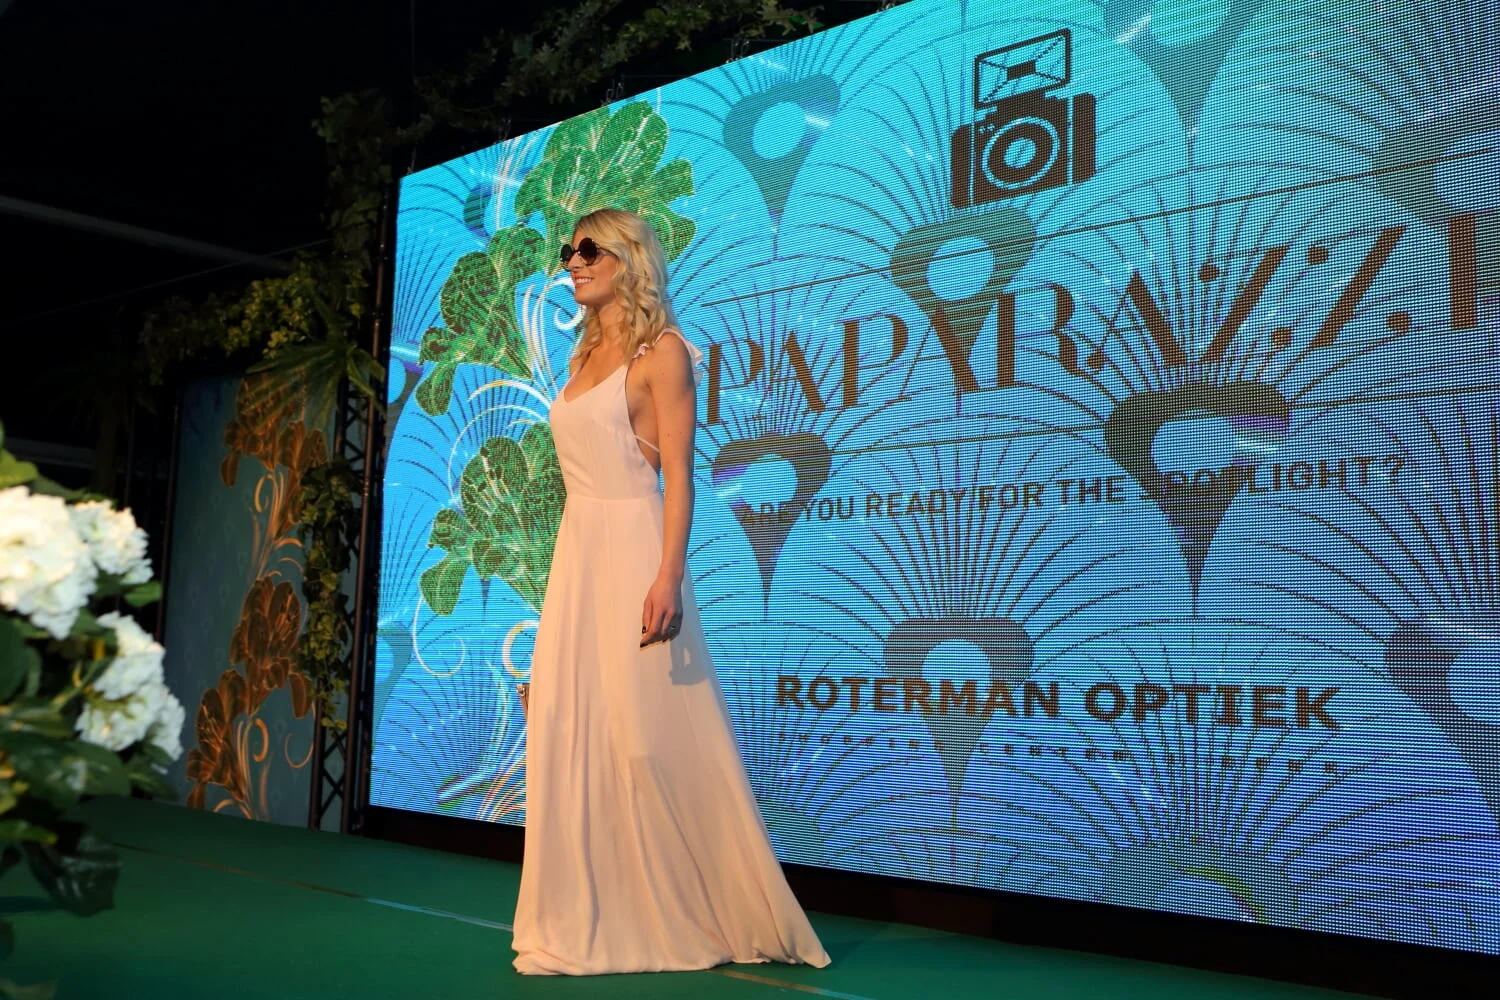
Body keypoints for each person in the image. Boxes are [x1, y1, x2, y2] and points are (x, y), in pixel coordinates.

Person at [510, 207, 832, 975]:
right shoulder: (583, 354)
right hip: (578, 556)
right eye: (569, 251)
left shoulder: (663, 353)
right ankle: (585, 912)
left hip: (634, 550)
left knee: (645, 735)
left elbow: (679, 476)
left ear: (628, 258)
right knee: (569, 725)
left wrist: (666, 576)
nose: (573, 261)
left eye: (589, 249)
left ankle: (700, 911)